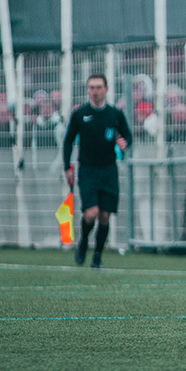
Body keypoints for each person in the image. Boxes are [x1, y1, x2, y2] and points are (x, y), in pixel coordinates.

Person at [62, 74, 132, 269]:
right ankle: (84, 241)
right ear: (87, 90)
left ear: (106, 89)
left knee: (104, 216)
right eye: (91, 87)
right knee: (91, 213)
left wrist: (124, 142)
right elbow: (68, 140)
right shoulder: (80, 114)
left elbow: (127, 135)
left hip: (109, 170)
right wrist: (67, 167)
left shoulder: (115, 114)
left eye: (99, 87)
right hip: (88, 170)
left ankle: (98, 256)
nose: (95, 91)